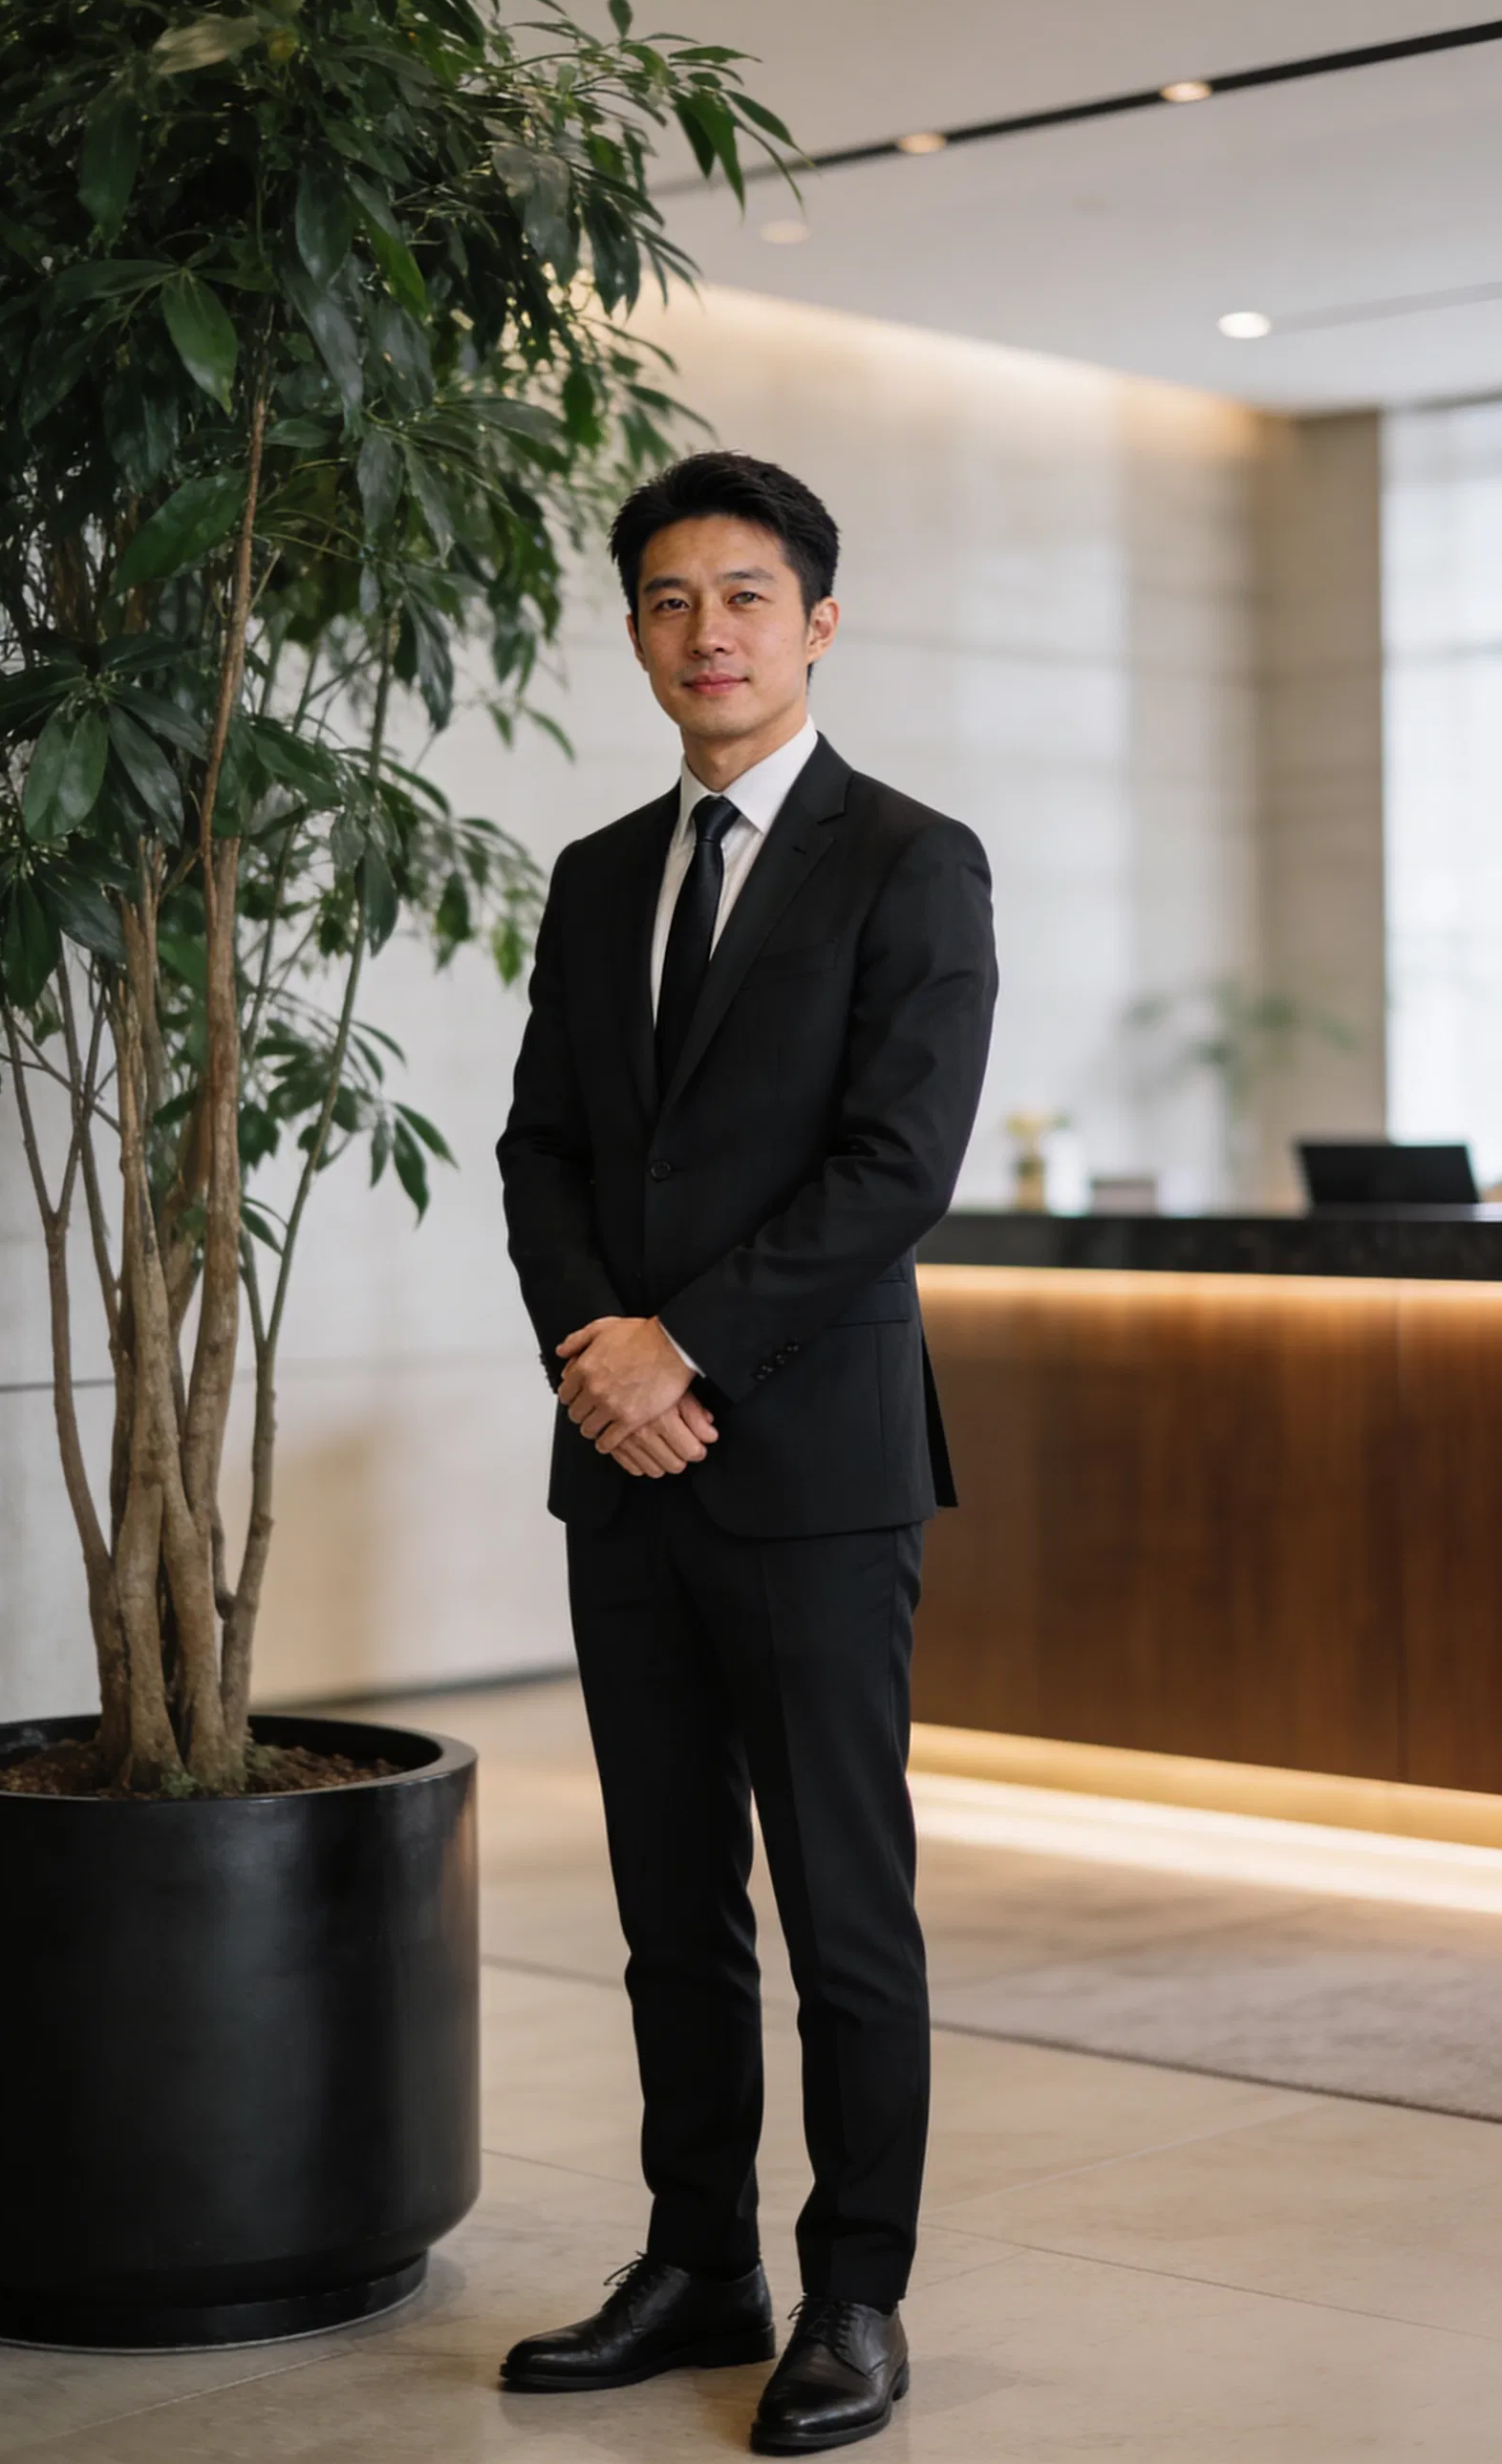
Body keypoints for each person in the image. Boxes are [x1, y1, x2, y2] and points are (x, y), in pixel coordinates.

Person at [496, 450, 997, 2454]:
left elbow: (897, 1165)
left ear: (817, 622)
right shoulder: (596, 874)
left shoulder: (911, 859)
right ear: (635, 631)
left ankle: (855, 2291)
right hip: (621, 1463)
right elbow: (541, 1148)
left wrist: (679, 1345)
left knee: (841, 1900)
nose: (705, 631)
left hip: (812, 1465)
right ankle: (697, 2257)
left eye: (744, 596)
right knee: (667, 1898)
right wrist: (594, 1358)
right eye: (666, 599)